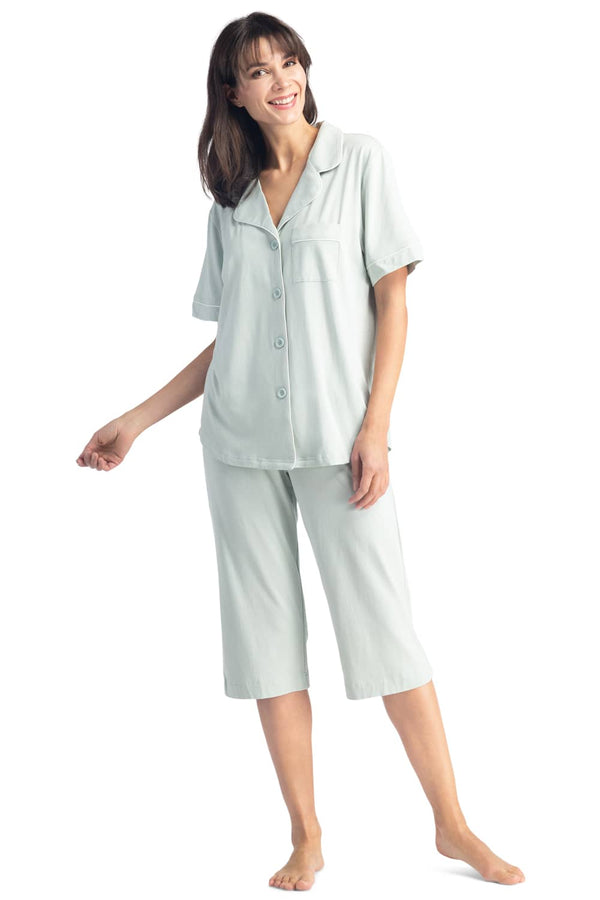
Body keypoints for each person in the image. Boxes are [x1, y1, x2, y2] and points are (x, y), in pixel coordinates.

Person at [76, 11, 525, 891]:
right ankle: (307, 837)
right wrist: (137, 418)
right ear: (233, 93)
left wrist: (375, 428)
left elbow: (392, 302)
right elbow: (233, 339)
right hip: (238, 448)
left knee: (386, 632)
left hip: (339, 443)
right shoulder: (232, 199)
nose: (280, 80)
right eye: (257, 71)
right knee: (267, 644)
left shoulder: (359, 162)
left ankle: (452, 826)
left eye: (289, 62)